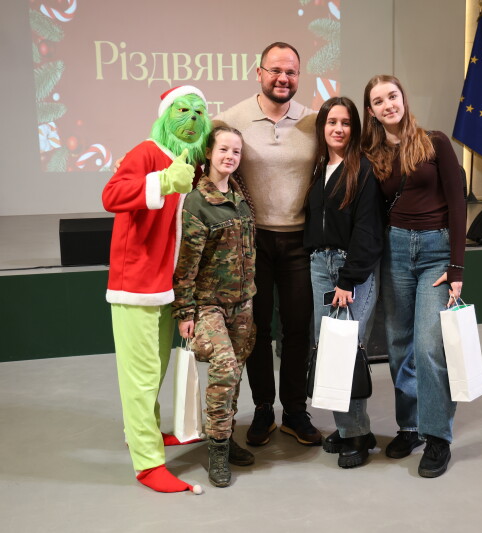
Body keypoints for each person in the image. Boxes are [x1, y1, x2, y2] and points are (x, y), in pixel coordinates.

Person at [102, 85, 212, 495]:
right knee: (142, 377)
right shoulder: (147, 152)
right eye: (183, 111)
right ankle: (148, 464)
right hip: (136, 285)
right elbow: (111, 195)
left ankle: (141, 433)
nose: (192, 119)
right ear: (166, 115)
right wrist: (162, 181)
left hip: (167, 285)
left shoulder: (190, 160)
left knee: (156, 369)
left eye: (199, 113)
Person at [213, 42, 321, 447]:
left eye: (291, 72)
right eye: (275, 70)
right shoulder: (230, 119)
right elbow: (197, 163)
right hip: (251, 242)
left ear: (299, 76)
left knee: (297, 328)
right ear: (258, 72)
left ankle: (294, 410)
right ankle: (263, 409)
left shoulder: (315, 122)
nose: (283, 78)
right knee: (255, 329)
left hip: (300, 241)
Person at [362, 75, 466, 478]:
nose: (388, 104)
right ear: (371, 111)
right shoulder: (372, 154)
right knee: (399, 345)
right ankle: (410, 427)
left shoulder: (435, 142)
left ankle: (438, 437)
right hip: (395, 252)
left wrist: (457, 267)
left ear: (403, 99)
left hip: (436, 252)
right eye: (379, 101)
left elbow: (458, 203)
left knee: (428, 347)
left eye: (393, 96)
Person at [172, 126, 257, 487]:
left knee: (234, 374)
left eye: (236, 151)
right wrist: (184, 312)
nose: (230, 157)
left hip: (242, 303)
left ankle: (225, 434)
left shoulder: (240, 197)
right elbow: (186, 264)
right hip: (208, 305)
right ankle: (217, 449)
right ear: (208, 153)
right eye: (223, 149)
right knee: (224, 366)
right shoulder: (197, 202)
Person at [303, 96, 383, 468]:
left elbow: (368, 230)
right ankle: (353, 428)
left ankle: (356, 436)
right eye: (332, 122)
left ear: (355, 128)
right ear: (322, 127)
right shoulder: (319, 168)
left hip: (351, 271)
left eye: (346, 122)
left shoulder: (363, 169)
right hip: (320, 265)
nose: (338, 128)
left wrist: (348, 280)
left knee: (345, 350)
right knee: (329, 349)